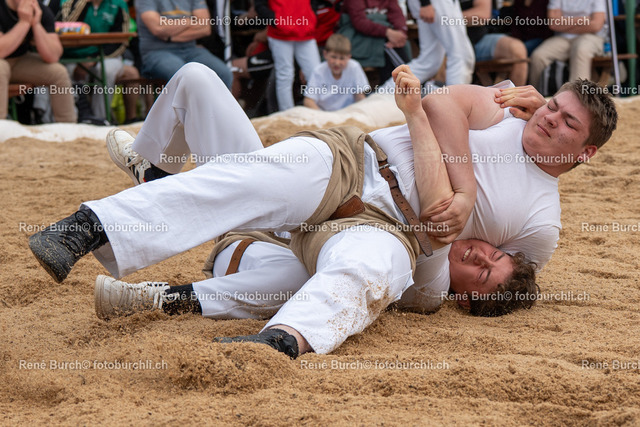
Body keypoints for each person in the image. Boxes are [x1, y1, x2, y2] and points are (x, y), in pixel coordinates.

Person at [29, 63, 616, 356]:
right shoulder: (506, 109)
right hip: (354, 164)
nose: (550, 119)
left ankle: (281, 342)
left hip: (390, 230)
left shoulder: (542, 224)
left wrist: (445, 239)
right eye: (554, 106)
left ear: (585, 153)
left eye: (568, 123)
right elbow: (438, 104)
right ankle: (93, 224)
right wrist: (461, 193)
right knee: (255, 166)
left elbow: (496, 276)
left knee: (370, 267)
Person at [60, 0, 141, 123]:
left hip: (107, 56)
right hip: (73, 56)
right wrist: (82, 3)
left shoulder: (119, 4)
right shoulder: (70, 2)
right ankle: (75, 120)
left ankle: (101, 119)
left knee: (106, 70)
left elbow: (122, 41)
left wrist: (94, 59)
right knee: (67, 72)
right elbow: (63, 29)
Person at [0, 0, 77, 122]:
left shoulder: (40, 10)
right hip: (2, 63)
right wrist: (24, 23)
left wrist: (36, 24)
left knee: (58, 72)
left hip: (19, 61)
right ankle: (2, 126)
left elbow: (53, 55)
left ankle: (68, 126)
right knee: (1, 67)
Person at [379, 0, 475, 90]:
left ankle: (384, 94)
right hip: (434, 3)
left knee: (430, 61)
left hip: (433, 3)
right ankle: (455, 99)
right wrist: (425, 3)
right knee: (461, 55)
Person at [134, 0, 232, 86]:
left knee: (224, 73)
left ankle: (214, 103)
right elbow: (158, 28)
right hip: (157, 52)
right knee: (184, 75)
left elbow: (205, 28)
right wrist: (188, 21)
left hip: (191, 49)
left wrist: (169, 37)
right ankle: (191, 103)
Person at [254, 0, 320, 111]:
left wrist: (311, 15)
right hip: (281, 33)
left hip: (305, 29)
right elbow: (259, 5)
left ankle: (317, 111)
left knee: (315, 73)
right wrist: (276, 20)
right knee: (285, 75)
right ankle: (287, 114)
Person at [528, 0, 607, 90]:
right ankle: (535, 94)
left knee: (581, 50)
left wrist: (565, 23)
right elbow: (553, 23)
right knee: (538, 56)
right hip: (563, 38)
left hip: (591, 36)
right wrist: (582, 20)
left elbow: (596, 25)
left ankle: (578, 95)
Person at [339, 0, 411, 83]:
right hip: (359, 41)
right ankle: (410, 83)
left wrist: (400, 33)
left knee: (393, 48)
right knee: (388, 47)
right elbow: (359, 22)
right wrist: (387, 32)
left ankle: (407, 83)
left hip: (385, 40)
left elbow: (397, 16)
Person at [460, 0, 529, 86]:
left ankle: (514, 94)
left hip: (477, 40)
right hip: (450, 45)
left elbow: (482, 14)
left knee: (517, 49)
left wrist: (450, 18)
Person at [303, 33, 370, 111]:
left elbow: (359, 96)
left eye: (342, 58)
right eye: (333, 57)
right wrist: (322, 115)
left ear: (348, 57)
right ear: (325, 54)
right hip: (323, 113)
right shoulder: (318, 71)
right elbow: (308, 100)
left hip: (348, 112)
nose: (337, 63)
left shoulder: (354, 67)